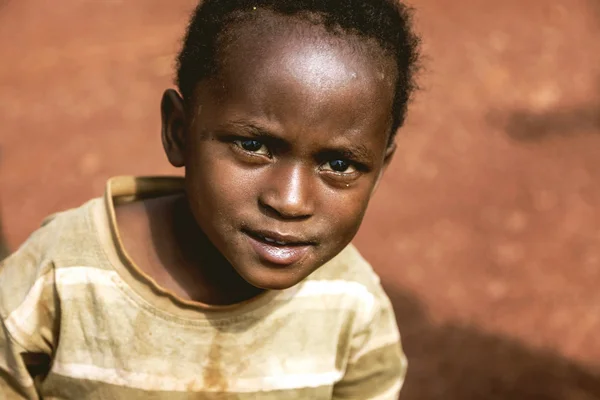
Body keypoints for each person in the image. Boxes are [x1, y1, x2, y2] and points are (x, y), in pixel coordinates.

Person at [0, 0, 420, 398]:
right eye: (253, 144)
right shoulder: (60, 279)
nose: (290, 202)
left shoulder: (352, 305)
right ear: (179, 131)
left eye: (340, 165)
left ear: (380, 170)